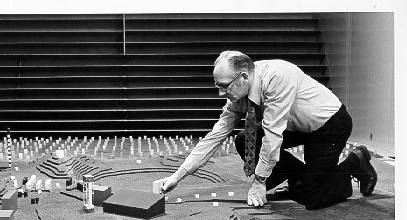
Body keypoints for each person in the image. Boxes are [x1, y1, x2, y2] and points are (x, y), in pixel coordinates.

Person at [159, 51, 377, 210]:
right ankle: (301, 180)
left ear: (243, 78)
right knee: (244, 140)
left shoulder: (277, 77)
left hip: (328, 125)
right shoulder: (239, 91)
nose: (220, 93)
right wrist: (178, 176)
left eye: (224, 86)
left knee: (310, 196)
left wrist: (260, 182)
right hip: (294, 125)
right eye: (218, 86)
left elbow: (273, 138)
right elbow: (216, 135)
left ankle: (354, 163)